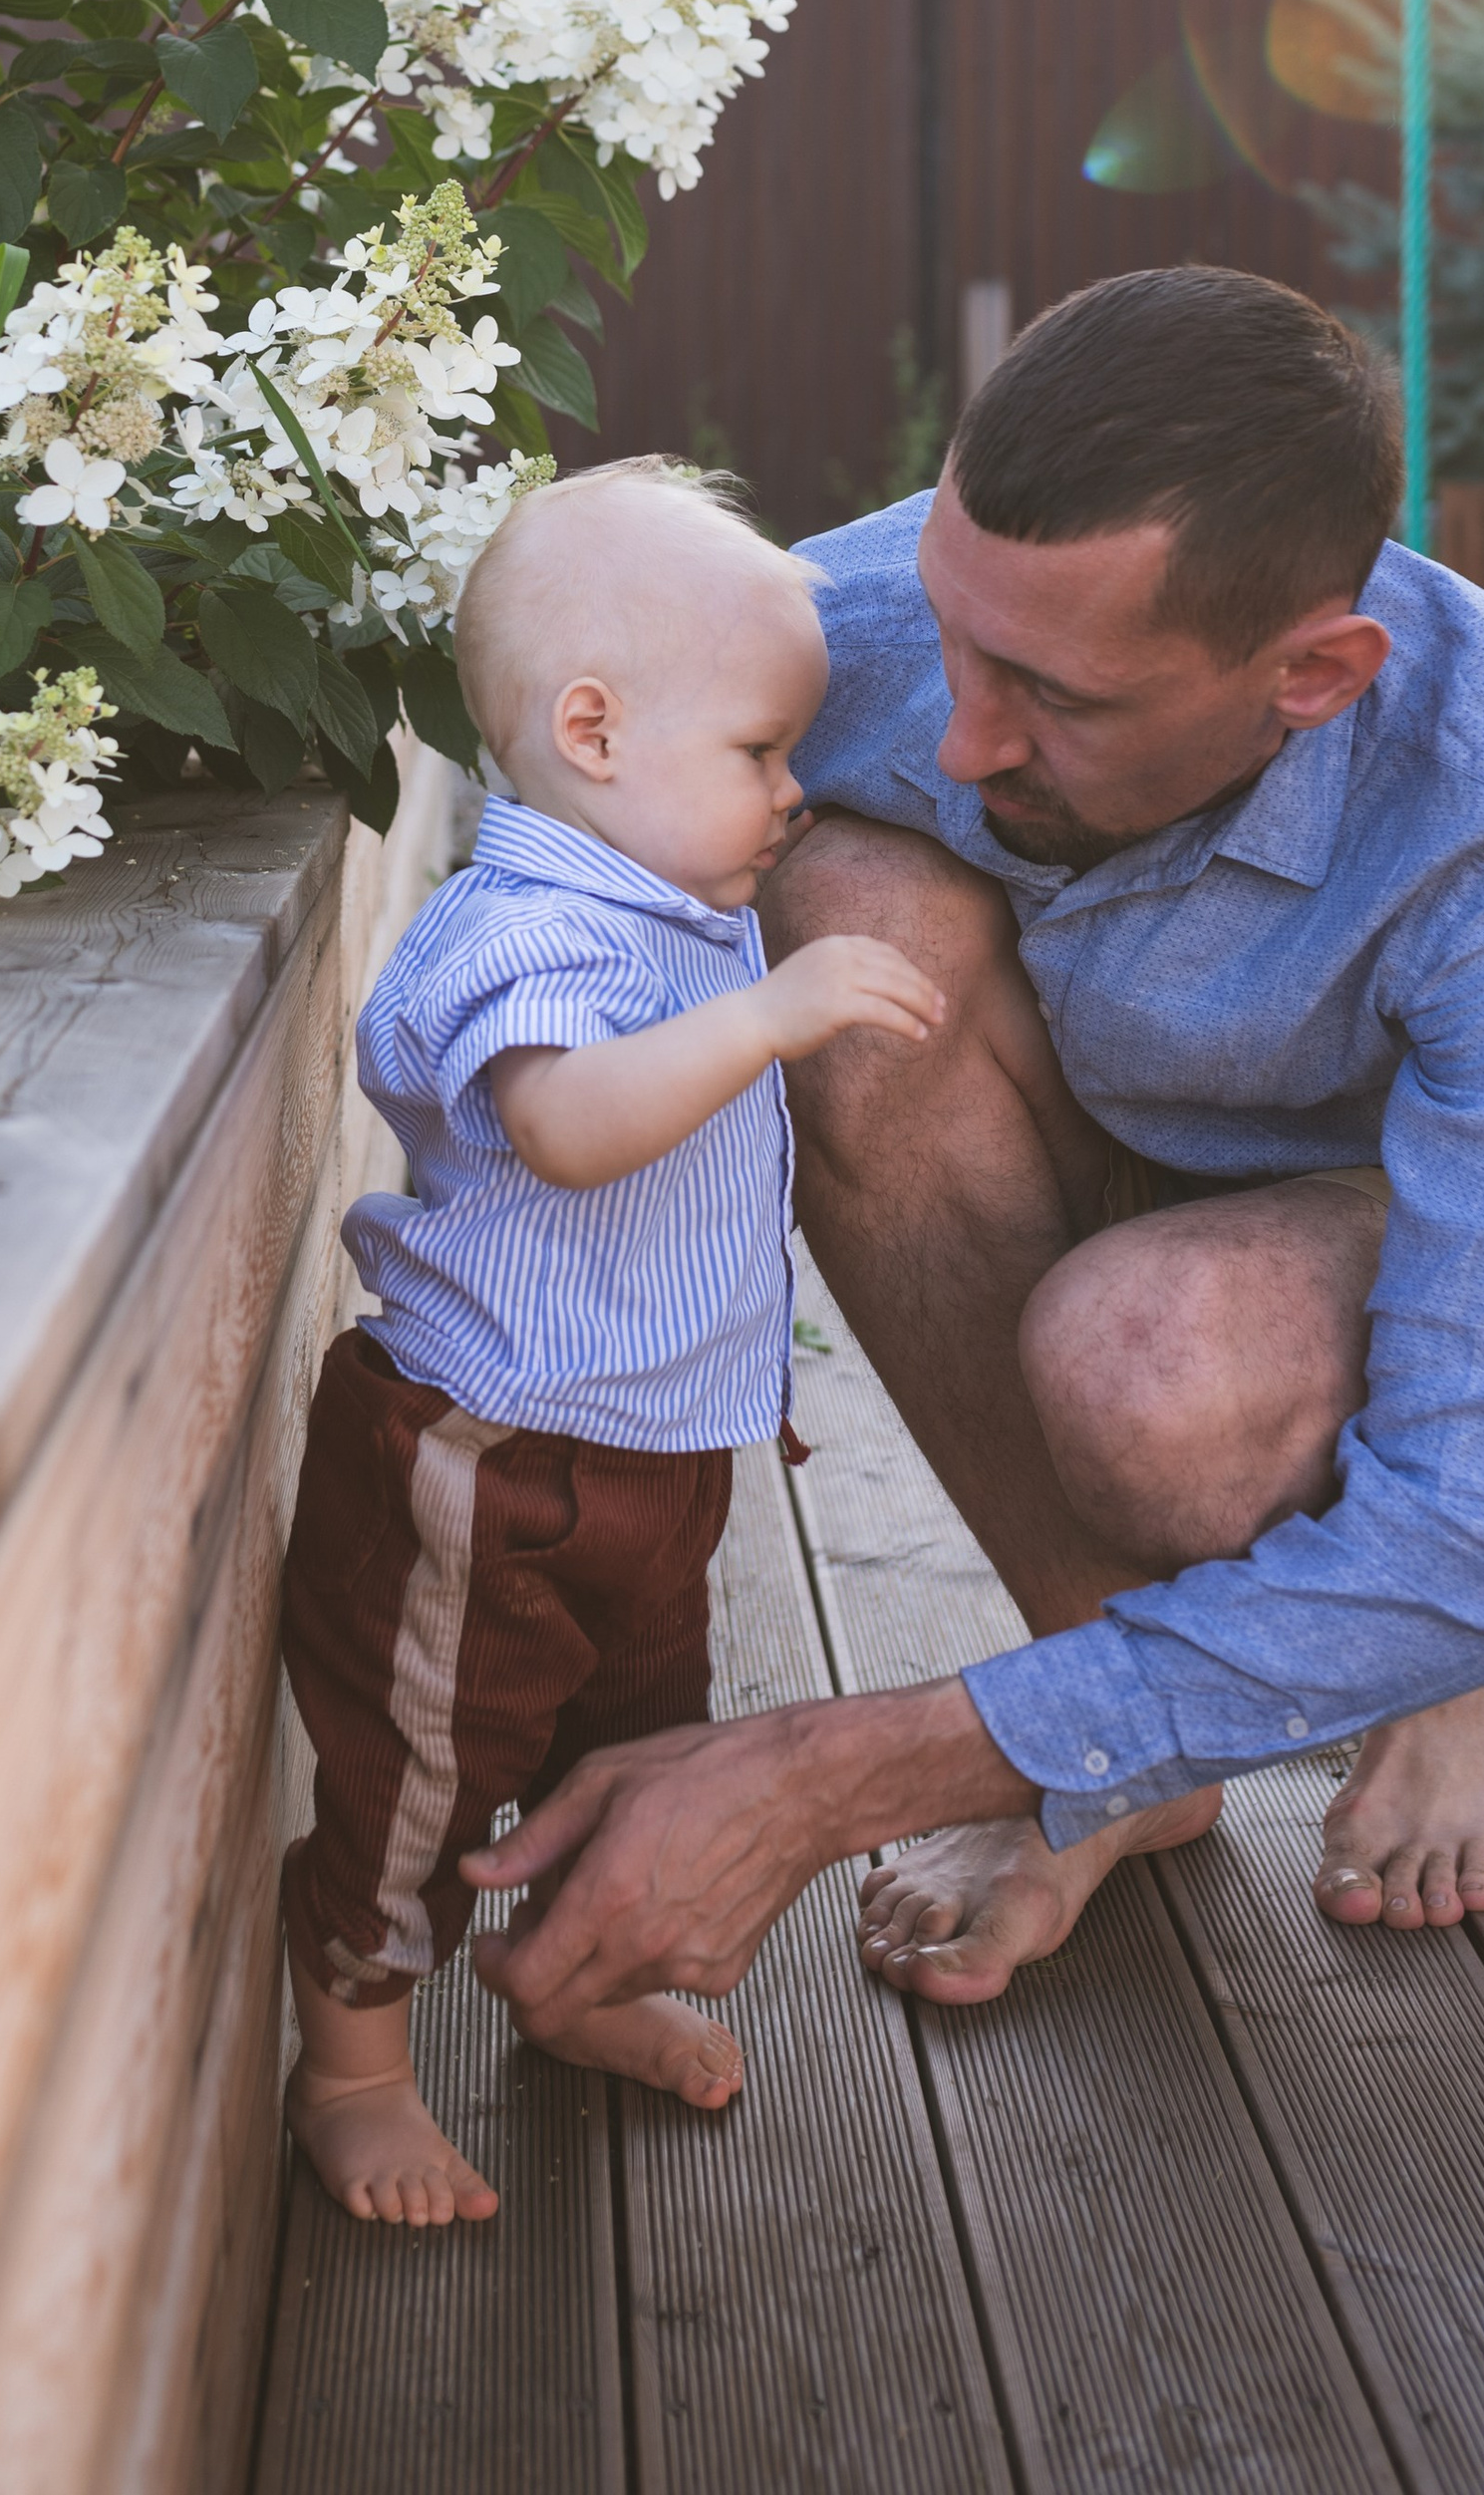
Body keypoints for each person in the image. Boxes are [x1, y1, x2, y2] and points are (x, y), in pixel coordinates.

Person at [459, 265, 1484, 2037]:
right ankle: (1121, 1763)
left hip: (1462, 1229)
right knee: (833, 908)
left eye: (1054, 697)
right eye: (954, 641)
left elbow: (1452, 1513)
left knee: (1168, 1379)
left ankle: (1475, 1652)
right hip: (1119, 1129)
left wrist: (823, 1773)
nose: (959, 737)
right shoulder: (868, 619)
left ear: (1312, 676)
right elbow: (562, 856)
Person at [276, 460, 942, 2226]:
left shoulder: (670, 910)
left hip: (650, 1465)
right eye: (761, 754)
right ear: (590, 727)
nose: (794, 794)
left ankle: (573, 1984)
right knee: (419, 1779)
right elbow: (568, 1124)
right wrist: (777, 1011)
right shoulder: (528, 930)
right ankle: (347, 2068)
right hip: (487, 1470)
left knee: (626, 1751)